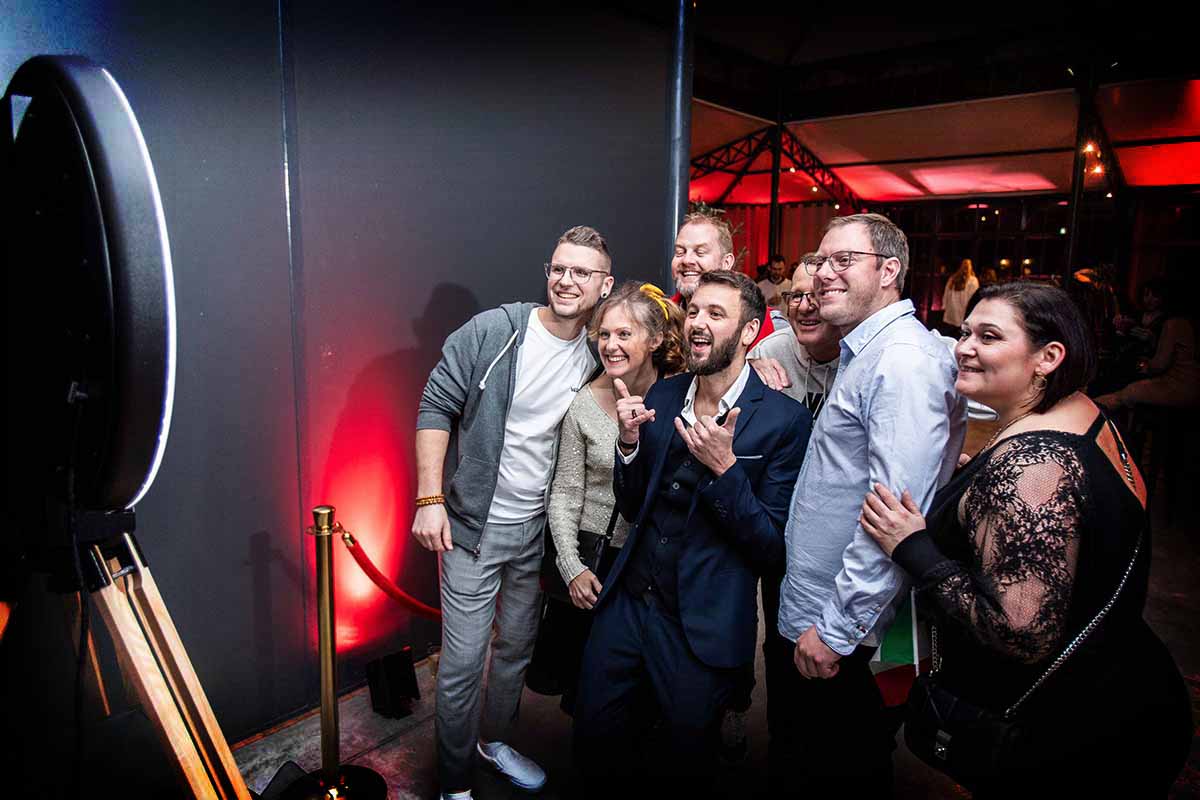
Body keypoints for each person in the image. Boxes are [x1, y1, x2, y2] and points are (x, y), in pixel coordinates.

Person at [860, 282, 1192, 797]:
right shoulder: (1081, 415)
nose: (964, 348)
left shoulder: (1034, 466)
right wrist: (976, 488)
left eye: (989, 337)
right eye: (965, 332)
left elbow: (1018, 632)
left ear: (1048, 357)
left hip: (1071, 736)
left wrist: (913, 547)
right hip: (1125, 684)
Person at [572, 270, 811, 795]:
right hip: (628, 602)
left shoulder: (784, 421)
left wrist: (727, 471)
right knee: (594, 736)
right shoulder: (665, 392)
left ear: (748, 333)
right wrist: (629, 445)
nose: (698, 323)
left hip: (701, 622)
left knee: (683, 760)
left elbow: (770, 548)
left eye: (716, 314)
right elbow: (634, 504)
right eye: (696, 310)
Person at [413, 226, 614, 800]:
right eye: (558, 268)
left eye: (581, 272)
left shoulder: (600, 352)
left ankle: (494, 742)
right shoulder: (495, 331)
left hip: (536, 533)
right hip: (473, 530)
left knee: (515, 651)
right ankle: (454, 783)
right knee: (462, 663)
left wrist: (763, 358)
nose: (566, 280)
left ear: (604, 285)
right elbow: (435, 406)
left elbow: (666, 354)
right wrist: (429, 498)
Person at [775, 213, 967, 795]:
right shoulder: (870, 350)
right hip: (834, 612)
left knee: (840, 766)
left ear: (889, 271)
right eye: (820, 260)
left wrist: (836, 631)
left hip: (853, 630)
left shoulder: (901, 361)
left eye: (843, 260)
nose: (822, 273)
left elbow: (892, 520)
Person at [544, 281, 685, 713]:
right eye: (604, 334)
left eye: (625, 334)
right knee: (584, 682)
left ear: (655, 339)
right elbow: (566, 492)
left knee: (641, 682)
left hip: (647, 561)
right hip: (595, 557)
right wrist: (571, 566)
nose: (610, 345)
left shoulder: (678, 396)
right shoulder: (585, 403)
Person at [670, 210, 791, 352]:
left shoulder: (770, 325)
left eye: (700, 252)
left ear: (726, 263)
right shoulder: (661, 318)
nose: (686, 260)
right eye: (680, 252)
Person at [1095, 279, 1199, 409]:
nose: (1149, 299)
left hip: (1174, 382)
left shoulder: (1171, 323)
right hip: (1137, 365)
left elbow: (1159, 364)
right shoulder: (1138, 315)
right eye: (1146, 294)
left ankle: (1094, 408)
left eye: (1154, 295)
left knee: (1126, 391)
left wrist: (1150, 346)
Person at [941, 257, 979, 336]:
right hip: (963, 312)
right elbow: (973, 298)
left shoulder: (952, 279)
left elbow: (946, 294)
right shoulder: (973, 280)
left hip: (951, 311)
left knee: (949, 334)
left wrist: (944, 306)